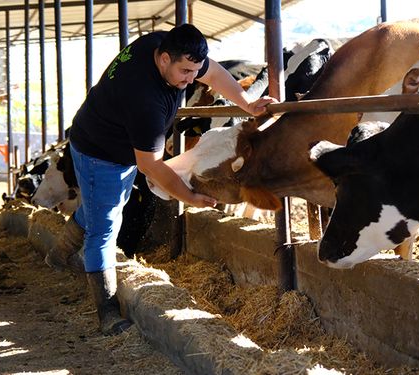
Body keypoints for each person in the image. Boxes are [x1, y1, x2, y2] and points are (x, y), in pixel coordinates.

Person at [44, 24, 276, 335]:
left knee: (107, 206)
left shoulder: (163, 45)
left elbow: (215, 74)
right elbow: (150, 166)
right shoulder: (145, 100)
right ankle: (108, 313)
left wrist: (245, 103)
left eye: (194, 71)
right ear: (164, 59)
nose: (191, 79)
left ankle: (59, 254)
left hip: (113, 141)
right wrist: (190, 197)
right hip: (101, 152)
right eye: (185, 71)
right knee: (105, 228)